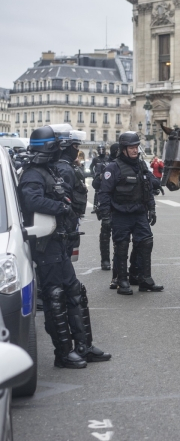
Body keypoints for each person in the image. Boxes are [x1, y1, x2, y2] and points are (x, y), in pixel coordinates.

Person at [18, 126, 111, 368]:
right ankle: (63, 352)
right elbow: (31, 200)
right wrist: (61, 207)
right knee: (54, 296)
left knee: (74, 292)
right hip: (45, 244)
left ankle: (83, 346)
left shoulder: (49, 171)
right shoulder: (33, 174)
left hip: (59, 241)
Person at [98, 132, 163, 295]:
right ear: (123, 149)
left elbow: (147, 188)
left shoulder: (141, 165)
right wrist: (106, 216)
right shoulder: (113, 167)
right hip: (120, 214)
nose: (135, 151)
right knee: (122, 246)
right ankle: (122, 280)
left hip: (139, 213)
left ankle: (145, 279)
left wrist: (152, 208)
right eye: (131, 148)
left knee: (146, 242)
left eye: (136, 147)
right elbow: (104, 193)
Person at [53, 125, 88, 257]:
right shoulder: (65, 169)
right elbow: (64, 200)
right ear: (65, 147)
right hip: (66, 223)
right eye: (75, 147)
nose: (77, 150)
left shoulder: (66, 166)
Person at [93, 144, 118, 272]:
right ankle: (105, 260)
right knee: (105, 232)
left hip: (121, 201)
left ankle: (118, 260)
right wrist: (102, 175)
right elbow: (95, 183)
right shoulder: (102, 164)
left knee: (120, 234)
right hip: (106, 201)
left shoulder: (124, 163)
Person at [90, 145, 108, 213]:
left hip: (105, 177)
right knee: (97, 192)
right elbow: (91, 167)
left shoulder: (107, 158)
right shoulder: (95, 159)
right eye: (100, 150)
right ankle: (95, 206)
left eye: (102, 149)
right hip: (98, 177)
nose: (101, 151)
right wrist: (93, 175)